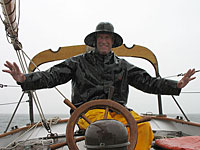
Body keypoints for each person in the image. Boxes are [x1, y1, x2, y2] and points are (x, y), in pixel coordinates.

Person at [2, 22, 196, 150]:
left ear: (112, 42)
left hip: (119, 111)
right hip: (88, 113)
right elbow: (52, 76)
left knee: (143, 127)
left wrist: (176, 85)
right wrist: (25, 79)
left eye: (107, 38)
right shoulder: (77, 62)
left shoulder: (123, 66)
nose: (104, 41)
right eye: (101, 38)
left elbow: (149, 82)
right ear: (95, 42)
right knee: (108, 129)